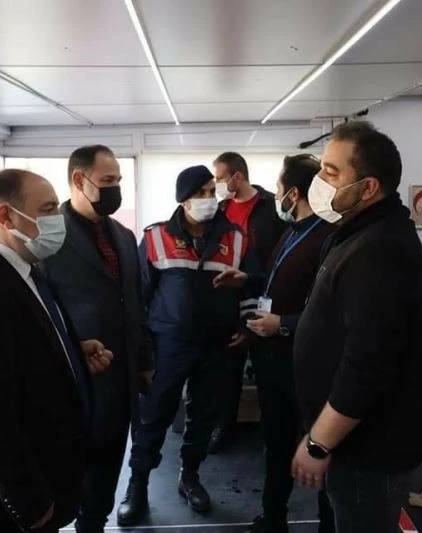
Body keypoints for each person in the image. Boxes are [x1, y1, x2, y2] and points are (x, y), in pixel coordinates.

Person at [0, 169, 112, 533]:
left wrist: (69, 354)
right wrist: (30, 503)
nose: (59, 219)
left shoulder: (20, 265)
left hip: (47, 473)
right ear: (6, 216)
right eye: (47, 209)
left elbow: (13, 352)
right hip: (6, 503)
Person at [291, 121, 422, 533]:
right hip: (353, 445)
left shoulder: (380, 251)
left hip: (369, 452)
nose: (319, 182)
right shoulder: (356, 234)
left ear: (368, 187)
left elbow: (367, 366)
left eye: (331, 173)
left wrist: (318, 443)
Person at [118, 165, 257, 525]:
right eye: (201, 193)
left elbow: (250, 286)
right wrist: (143, 352)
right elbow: (138, 297)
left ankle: (190, 476)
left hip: (217, 345)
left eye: (212, 191)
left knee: (203, 417)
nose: (209, 199)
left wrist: (245, 323)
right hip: (168, 344)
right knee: (154, 417)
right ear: (183, 200)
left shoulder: (235, 237)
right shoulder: (156, 237)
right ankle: (137, 485)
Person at [214, 154, 336, 533]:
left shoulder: (326, 238)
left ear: (293, 194)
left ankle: (328, 524)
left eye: (280, 188)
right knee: (276, 443)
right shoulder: (292, 231)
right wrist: (247, 280)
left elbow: (331, 314)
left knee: (320, 450)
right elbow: (275, 279)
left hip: (304, 365)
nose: (275, 195)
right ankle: (272, 517)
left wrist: (282, 324)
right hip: (273, 361)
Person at [41, 145, 153, 532]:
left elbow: (135, 302)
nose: (115, 188)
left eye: (118, 180)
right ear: (79, 180)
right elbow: (40, 310)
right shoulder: (47, 236)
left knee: (104, 478)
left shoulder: (123, 235)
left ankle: (94, 524)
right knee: (66, 480)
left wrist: (144, 361)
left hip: (119, 382)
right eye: (107, 180)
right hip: (71, 382)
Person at [210, 151, 287, 453]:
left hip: (265, 295)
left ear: (237, 176)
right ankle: (223, 427)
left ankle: (273, 433)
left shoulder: (271, 206)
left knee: (268, 371)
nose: (216, 184)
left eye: (219, 178)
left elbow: (281, 255)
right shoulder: (219, 209)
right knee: (228, 369)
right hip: (229, 298)